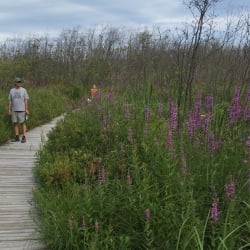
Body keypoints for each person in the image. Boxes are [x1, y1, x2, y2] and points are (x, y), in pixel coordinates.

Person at [8, 77, 29, 143]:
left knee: (23, 123)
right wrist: (9, 110)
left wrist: (26, 109)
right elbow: (10, 101)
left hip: (22, 110)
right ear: (15, 83)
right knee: (15, 123)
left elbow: (26, 100)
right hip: (14, 110)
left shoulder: (23, 90)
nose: (19, 83)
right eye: (18, 82)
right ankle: (17, 136)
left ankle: (24, 137)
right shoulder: (12, 90)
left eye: (20, 82)